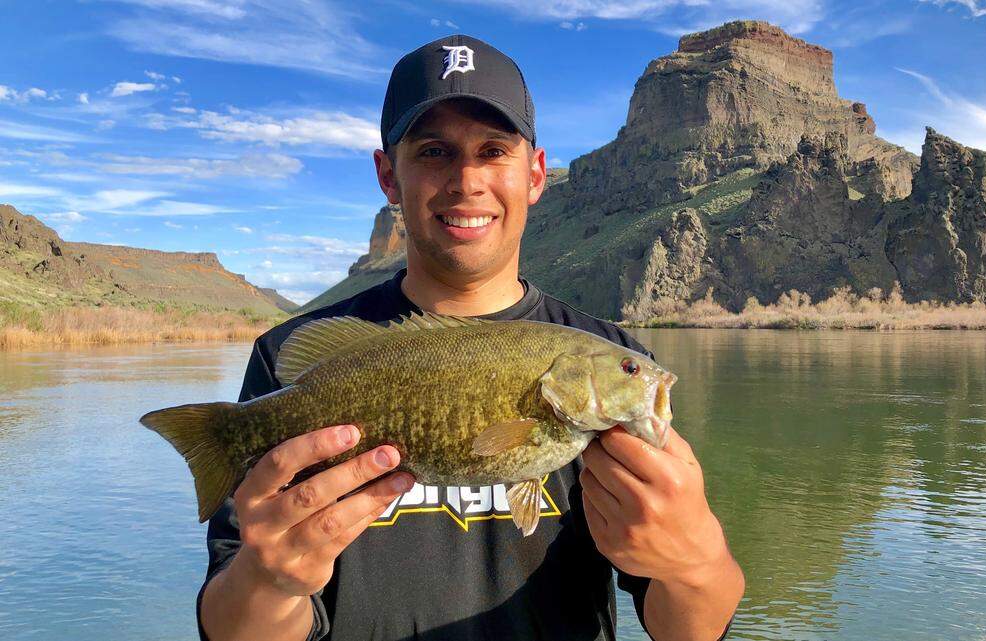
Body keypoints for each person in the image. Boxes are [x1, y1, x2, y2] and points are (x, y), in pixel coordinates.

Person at [197, 34, 744, 641]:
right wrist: (267, 582)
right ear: (387, 176)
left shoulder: (613, 351)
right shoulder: (290, 359)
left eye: (493, 151)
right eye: (434, 152)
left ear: (536, 174)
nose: (466, 180)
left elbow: (688, 629)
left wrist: (696, 563)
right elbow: (232, 626)